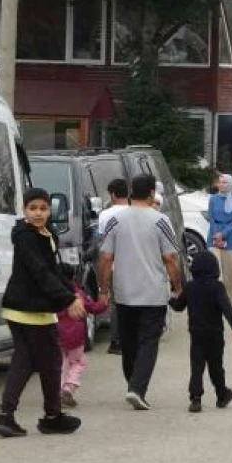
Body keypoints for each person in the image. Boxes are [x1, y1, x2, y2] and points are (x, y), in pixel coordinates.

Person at [0, 188, 85, 436]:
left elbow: (52, 269)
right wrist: (68, 299)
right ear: (24, 210)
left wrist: (73, 291)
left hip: (34, 309)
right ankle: (33, 415)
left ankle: (44, 415)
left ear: (49, 210)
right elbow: (40, 272)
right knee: (42, 361)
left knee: (41, 362)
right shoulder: (25, 237)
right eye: (32, 208)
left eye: (43, 208)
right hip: (28, 309)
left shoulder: (45, 233)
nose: (38, 213)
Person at [97, 175, 184, 411]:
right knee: (148, 342)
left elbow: (105, 257)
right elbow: (171, 258)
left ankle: (131, 383)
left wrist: (103, 289)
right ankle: (137, 388)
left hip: (124, 292)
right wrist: (177, 287)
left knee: (128, 342)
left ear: (131, 192)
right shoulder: (160, 220)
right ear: (150, 194)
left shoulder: (115, 219)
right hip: (153, 292)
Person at [169, 252, 232, 412]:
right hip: (215, 334)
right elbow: (226, 307)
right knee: (216, 366)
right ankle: (222, 394)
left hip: (196, 334)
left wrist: (169, 299)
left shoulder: (190, 287)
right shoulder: (217, 287)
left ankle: (195, 398)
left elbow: (179, 307)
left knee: (197, 366)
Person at [56, 265, 108, 408]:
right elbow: (94, 308)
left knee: (62, 363)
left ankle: (57, 392)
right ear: (73, 277)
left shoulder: (52, 294)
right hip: (75, 337)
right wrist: (104, 302)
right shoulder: (78, 294)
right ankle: (68, 388)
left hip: (56, 335)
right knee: (79, 362)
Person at [98, 178, 130, 355]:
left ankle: (116, 341)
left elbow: (104, 246)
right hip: (135, 265)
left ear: (112, 194)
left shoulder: (105, 215)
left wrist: (103, 285)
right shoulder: (136, 212)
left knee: (117, 305)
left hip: (115, 265)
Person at [208, 174, 232, 298]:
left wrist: (223, 234)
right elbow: (211, 217)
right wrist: (217, 234)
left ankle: (229, 295)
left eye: (224, 182)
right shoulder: (213, 198)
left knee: (229, 268)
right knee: (215, 267)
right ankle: (216, 295)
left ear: (230, 184)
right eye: (220, 182)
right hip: (214, 234)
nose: (221, 184)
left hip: (230, 235)